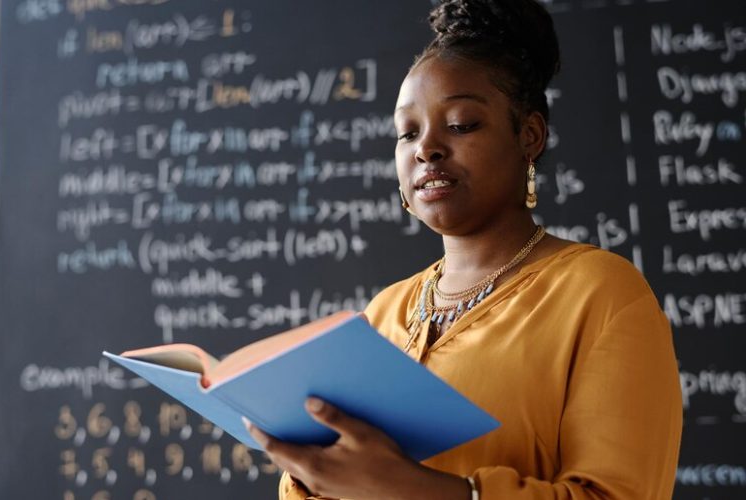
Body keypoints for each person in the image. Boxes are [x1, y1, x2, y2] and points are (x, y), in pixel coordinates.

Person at [244, 0, 683, 498]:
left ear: (530, 135)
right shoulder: (386, 313)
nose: (425, 148)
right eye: (407, 132)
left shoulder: (601, 294)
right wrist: (309, 472)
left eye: (460, 124)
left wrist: (411, 486)